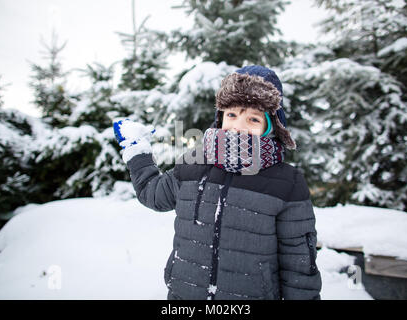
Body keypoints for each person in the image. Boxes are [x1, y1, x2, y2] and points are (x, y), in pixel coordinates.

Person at [113, 65, 322, 300]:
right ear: (220, 117)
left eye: (253, 119)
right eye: (231, 115)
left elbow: (300, 269)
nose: (238, 126)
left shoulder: (287, 182)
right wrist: (136, 151)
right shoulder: (193, 164)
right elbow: (153, 194)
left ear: (270, 127)